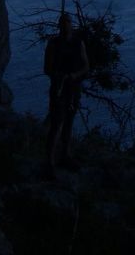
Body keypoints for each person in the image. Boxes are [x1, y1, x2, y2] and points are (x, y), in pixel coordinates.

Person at [43, 10, 89, 171]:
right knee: (57, 123)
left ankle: (65, 155)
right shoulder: (53, 44)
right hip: (59, 88)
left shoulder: (78, 43)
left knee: (69, 122)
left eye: (68, 22)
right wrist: (58, 75)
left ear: (71, 24)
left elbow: (85, 66)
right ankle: (50, 161)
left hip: (73, 88)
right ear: (59, 25)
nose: (65, 25)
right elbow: (47, 68)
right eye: (63, 22)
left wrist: (74, 75)